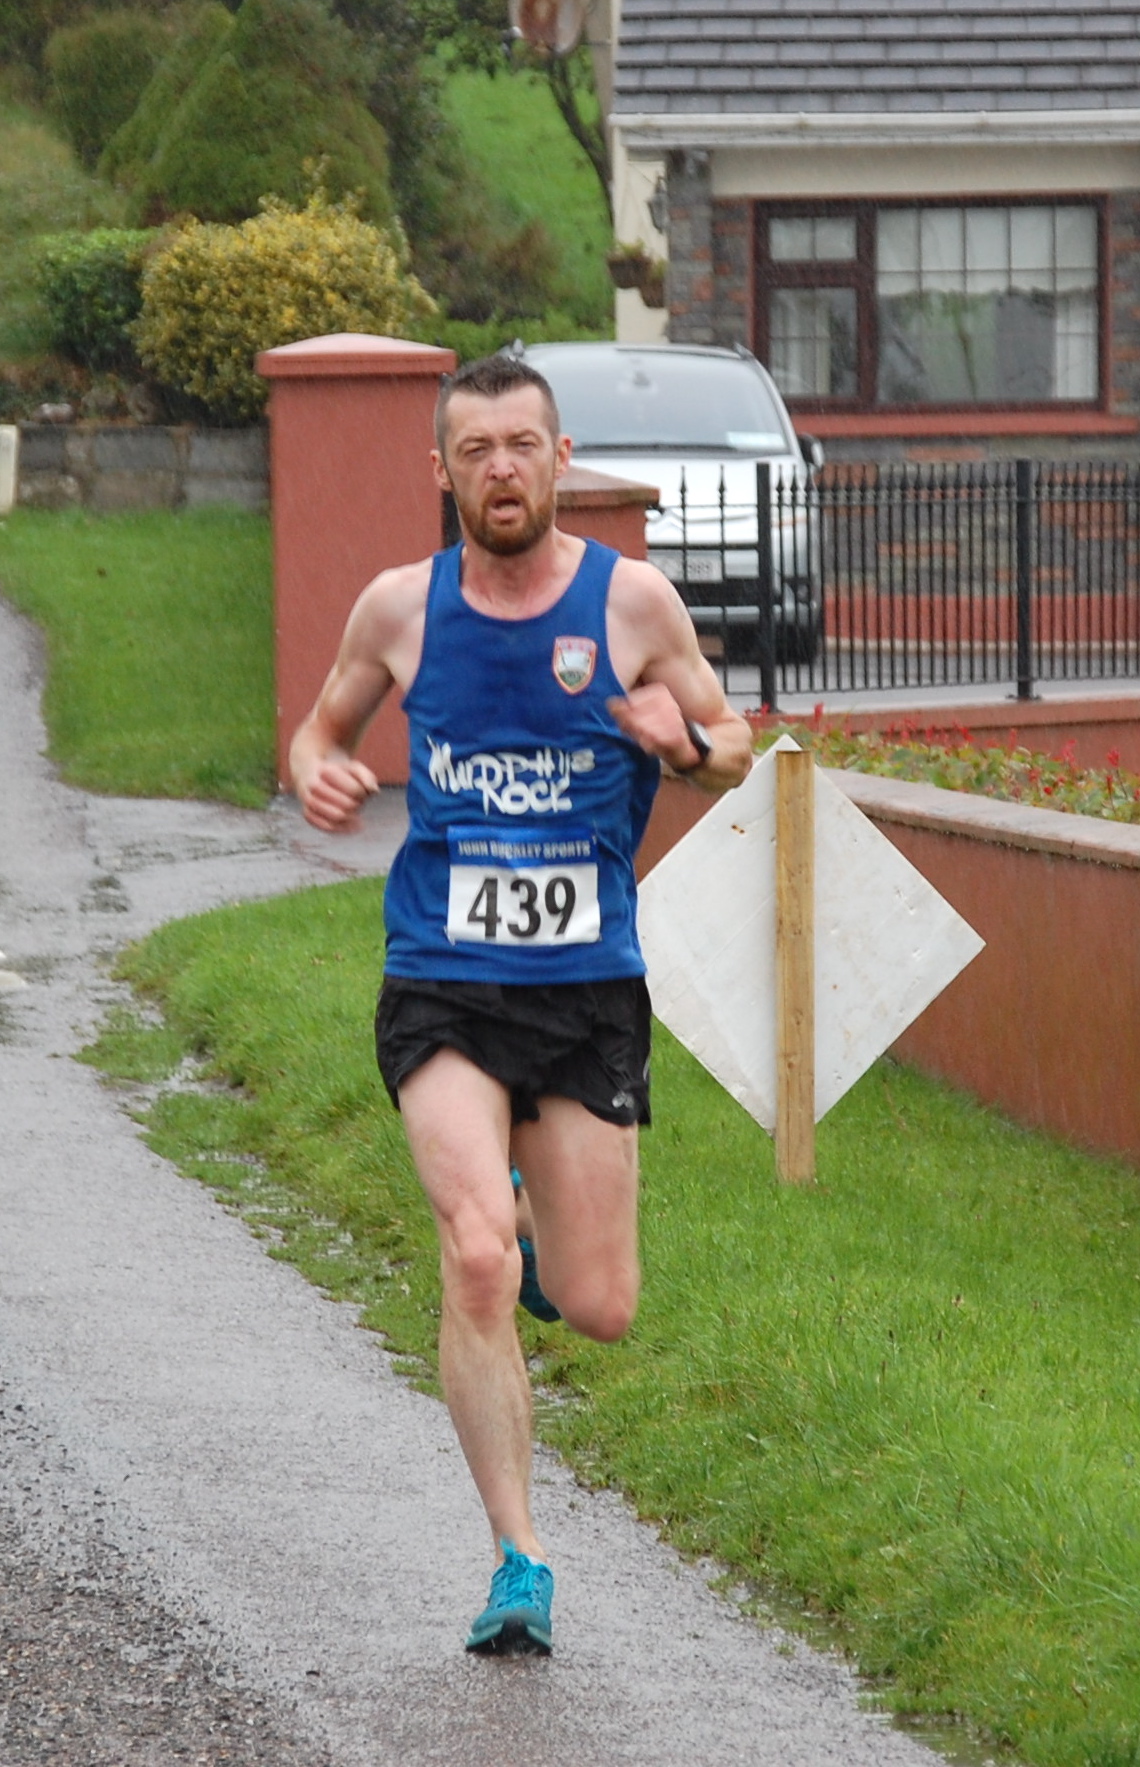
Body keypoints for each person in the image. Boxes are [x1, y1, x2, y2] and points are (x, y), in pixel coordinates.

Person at [290, 353, 752, 1656]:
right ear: (443, 472)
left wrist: (681, 742)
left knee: (599, 1304)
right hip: (441, 974)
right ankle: (519, 1557)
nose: (501, 468)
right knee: (476, 1254)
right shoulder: (401, 607)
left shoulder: (634, 603)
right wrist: (318, 769)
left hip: (586, 988)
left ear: (561, 460)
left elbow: (732, 747)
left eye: (522, 445)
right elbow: (322, 729)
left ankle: (537, 1227)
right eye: (476, 449)